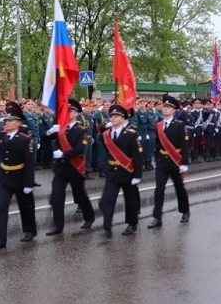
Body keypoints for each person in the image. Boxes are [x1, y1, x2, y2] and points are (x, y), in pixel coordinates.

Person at [0, 101, 37, 251]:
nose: (7, 123)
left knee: (25, 207)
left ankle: (30, 230)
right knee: (3, 208)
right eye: (6, 120)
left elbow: (29, 163)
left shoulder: (25, 139)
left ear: (18, 123)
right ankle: (1, 240)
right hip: (5, 179)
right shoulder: (2, 136)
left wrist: (28, 184)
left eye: (10, 120)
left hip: (20, 178)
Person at [44, 98, 95, 235]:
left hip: (75, 169)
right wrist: (50, 131)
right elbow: (44, 138)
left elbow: (80, 148)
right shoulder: (60, 127)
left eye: (70, 111)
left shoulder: (80, 130)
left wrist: (63, 154)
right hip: (61, 169)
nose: (67, 113)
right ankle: (58, 226)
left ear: (76, 113)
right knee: (57, 197)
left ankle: (89, 217)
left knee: (80, 196)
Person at [99, 104, 142, 238]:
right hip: (112, 172)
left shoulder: (131, 134)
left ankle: (132, 223)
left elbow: (137, 155)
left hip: (127, 171)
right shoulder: (107, 133)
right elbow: (107, 151)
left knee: (130, 200)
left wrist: (137, 175)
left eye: (116, 116)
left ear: (124, 118)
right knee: (108, 199)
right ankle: (107, 227)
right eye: (111, 116)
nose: (113, 118)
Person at [148, 94, 191, 228]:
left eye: (168, 107)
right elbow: (157, 143)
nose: (165, 109)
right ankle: (157, 217)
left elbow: (185, 145)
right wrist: (156, 158)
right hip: (162, 162)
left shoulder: (180, 125)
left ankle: (185, 211)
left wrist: (184, 163)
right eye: (164, 106)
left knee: (179, 188)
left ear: (174, 110)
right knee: (159, 190)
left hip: (175, 162)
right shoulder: (159, 125)